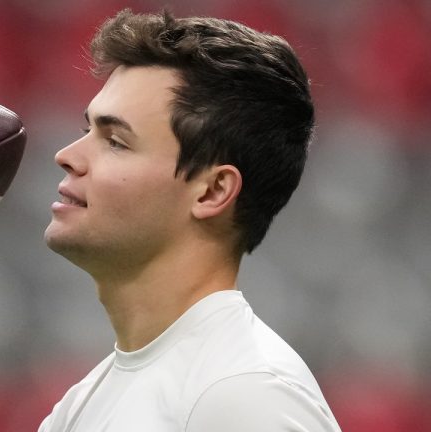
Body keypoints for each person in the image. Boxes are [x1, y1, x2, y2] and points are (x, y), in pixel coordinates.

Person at [40, 9, 341, 432]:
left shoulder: (246, 396)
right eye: (87, 129)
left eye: (116, 142)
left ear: (213, 191)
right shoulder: (83, 402)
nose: (67, 155)